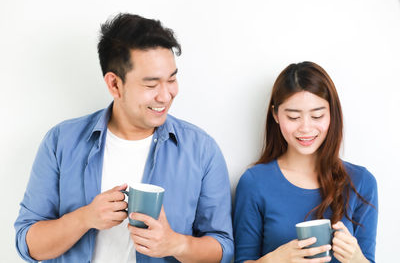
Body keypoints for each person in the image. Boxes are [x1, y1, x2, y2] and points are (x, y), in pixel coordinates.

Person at [15, 13, 233, 263]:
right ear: (114, 85)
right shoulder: (61, 142)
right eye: (151, 85)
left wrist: (175, 244)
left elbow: (223, 250)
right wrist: (85, 218)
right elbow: (28, 244)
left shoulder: (201, 150)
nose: (166, 95)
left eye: (172, 79)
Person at [233, 61, 378, 263]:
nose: (306, 128)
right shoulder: (254, 183)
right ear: (275, 115)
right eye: (293, 117)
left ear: (331, 114)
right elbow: (243, 259)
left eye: (317, 115)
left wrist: (357, 259)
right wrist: (274, 260)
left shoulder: (361, 182)